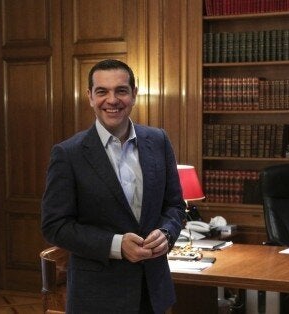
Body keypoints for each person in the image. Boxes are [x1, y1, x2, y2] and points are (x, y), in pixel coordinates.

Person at [41, 59, 185, 313]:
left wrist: (167, 233)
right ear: (90, 97)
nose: (112, 100)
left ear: (134, 94)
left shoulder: (159, 140)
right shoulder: (68, 154)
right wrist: (116, 245)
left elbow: (174, 205)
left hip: (153, 292)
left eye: (121, 90)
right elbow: (55, 226)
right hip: (97, 298)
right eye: (102, 92)